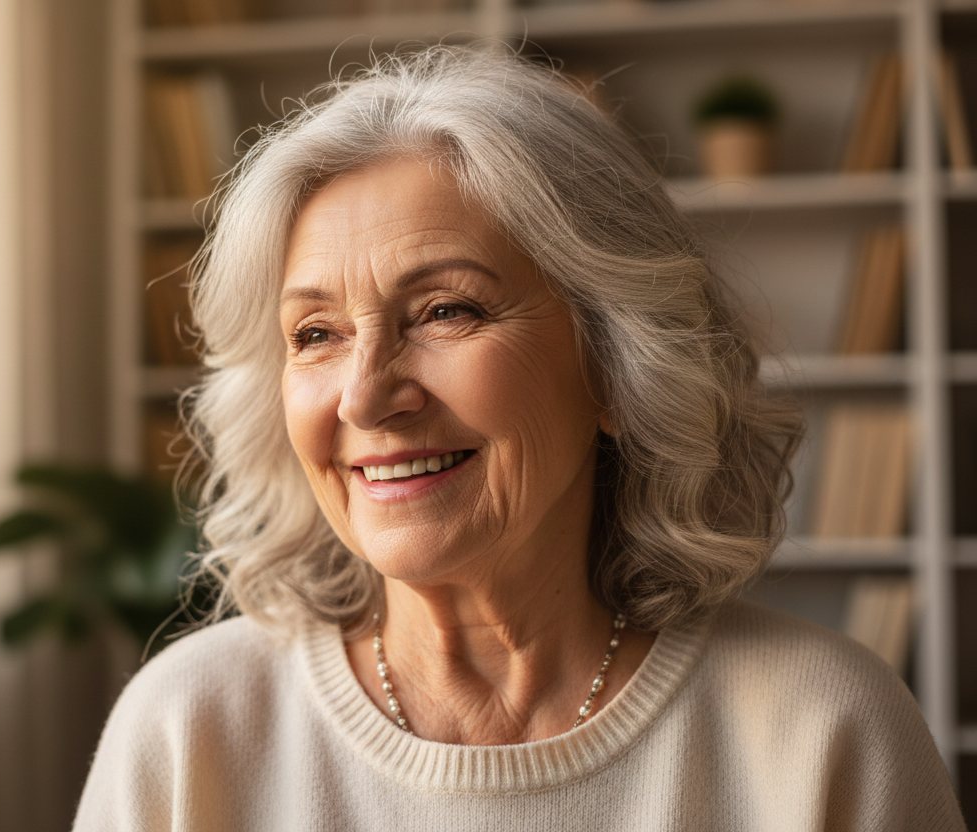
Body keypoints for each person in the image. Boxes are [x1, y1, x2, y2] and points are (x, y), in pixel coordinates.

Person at [73, 45, 966, 830]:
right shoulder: (189, 731)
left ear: (617, 367)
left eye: (445, 310)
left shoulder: (827, 731)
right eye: (314, 334)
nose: (366, 396)